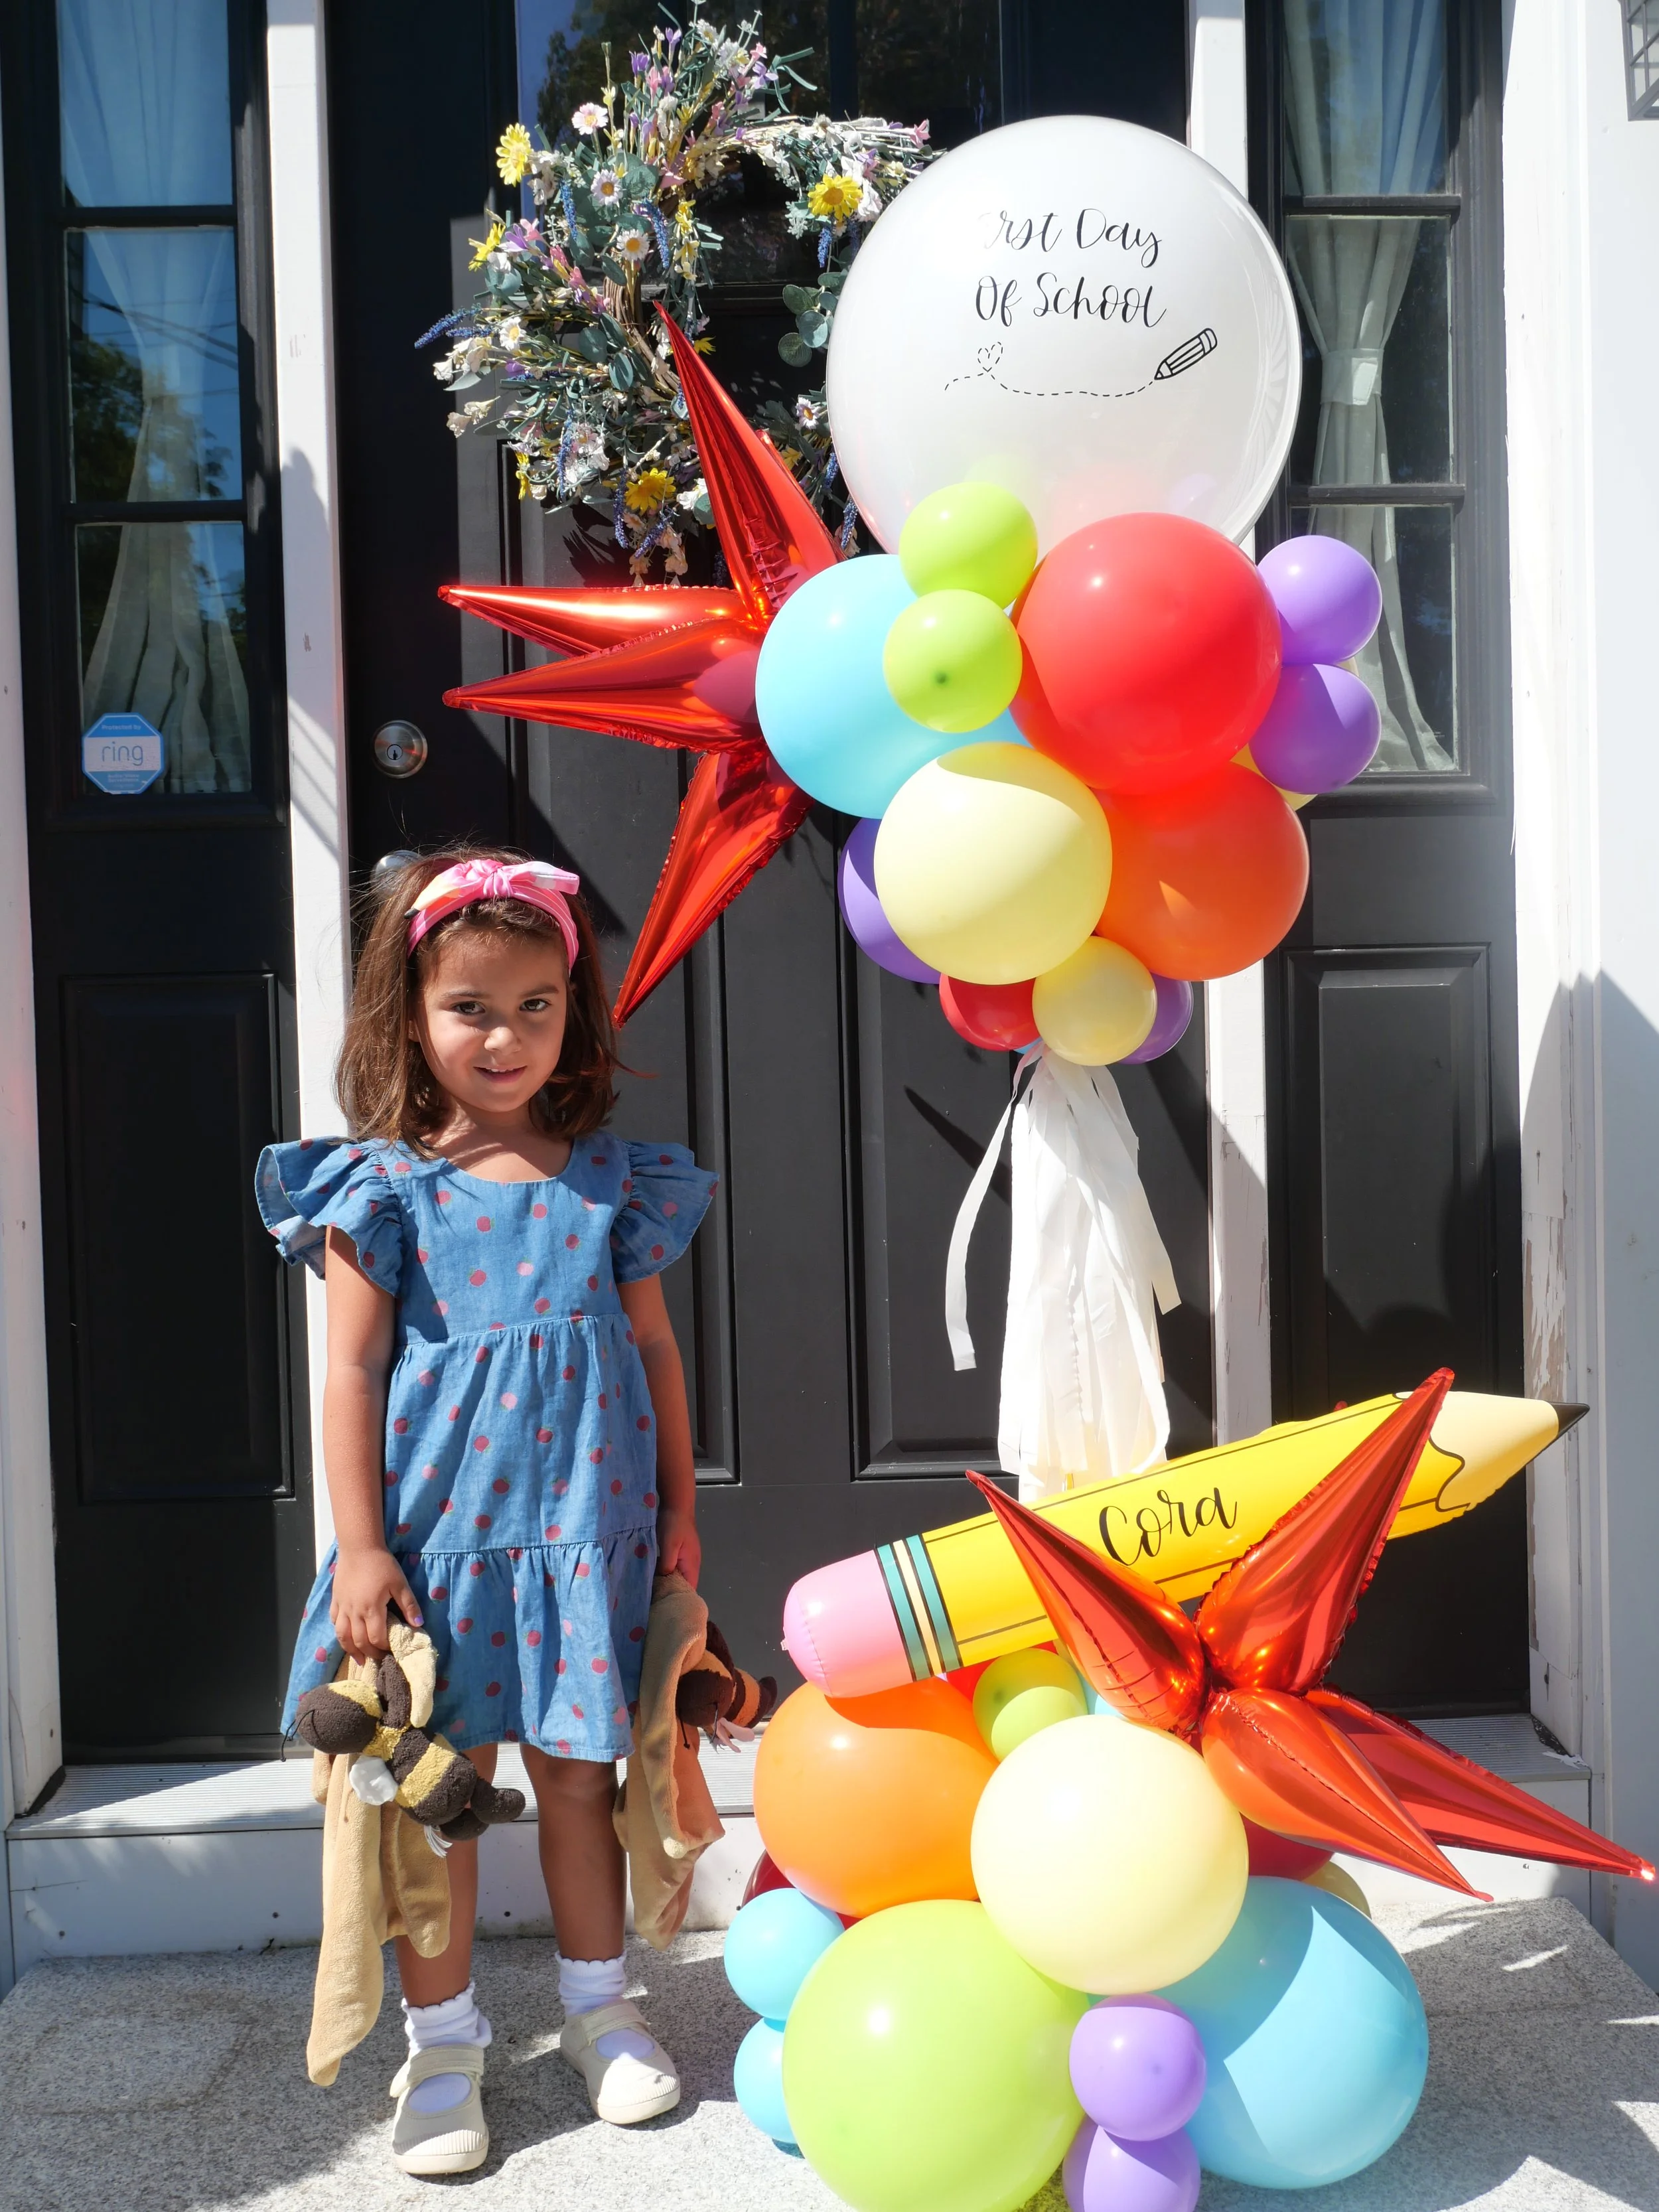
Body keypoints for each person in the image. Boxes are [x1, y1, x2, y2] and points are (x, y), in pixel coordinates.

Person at [257, 849, 716, 2177]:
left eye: (534, 1005)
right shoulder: (380, 1189)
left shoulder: (609, 1183)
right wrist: (359, 1543)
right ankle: (444, 2043)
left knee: (579, 1780)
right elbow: (347, 1369)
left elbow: (654, 1358)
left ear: (571, 1013)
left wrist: (680, 1508)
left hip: (584, 1542)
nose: (504, 1035)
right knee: (438, 1798)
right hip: (438, 1558)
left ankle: (598, 2010)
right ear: (412, 1015)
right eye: (472, 1006)